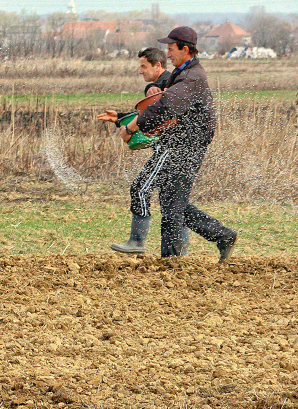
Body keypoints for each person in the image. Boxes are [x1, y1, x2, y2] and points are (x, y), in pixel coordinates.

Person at [120, 26, 238, 261]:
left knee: (171, 203)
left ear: (185, 50)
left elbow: (166, 105)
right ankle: (221, 237)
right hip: (184, 143)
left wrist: (133, 126)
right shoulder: (183, 73)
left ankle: (171, 260)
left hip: (187, 145)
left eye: (171, 49)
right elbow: (162, 93)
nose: (168, 54)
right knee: (172, 202)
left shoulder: (193, 77)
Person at [97, 48, 190, 255]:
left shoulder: (164, 84)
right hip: (179, 149)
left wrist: (152, 86)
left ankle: (137, 241)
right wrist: (120, 117)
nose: (140, 71)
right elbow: (150, 115)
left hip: (170, 149)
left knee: (140, 189)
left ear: (158, 66)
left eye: (143, 66)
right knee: (173, 200)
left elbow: (156, 105)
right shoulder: (162, 85)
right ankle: (179, 253)